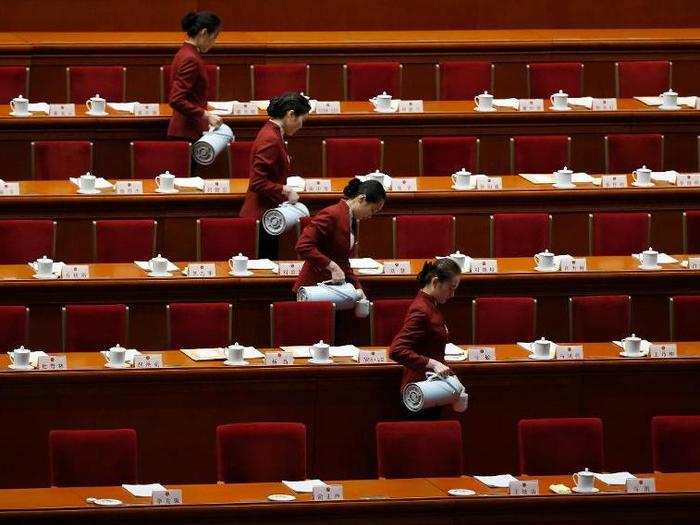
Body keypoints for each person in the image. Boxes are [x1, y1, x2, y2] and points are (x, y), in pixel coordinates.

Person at [240, 92, 311, 259]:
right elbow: (257, 182)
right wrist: (285, 190)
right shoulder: (270, 139)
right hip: (261, 217)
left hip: (268, 215)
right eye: (302, 120)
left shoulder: (273, 132)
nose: (301, 125)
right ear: (291, 114)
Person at [389, 258, 462, 419]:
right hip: (419, 394)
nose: (452, 294)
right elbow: (396, 350)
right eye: (451, 288)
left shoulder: (430, 304)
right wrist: (433, 363)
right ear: (436, 282)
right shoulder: (421, 309)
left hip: (430, 390)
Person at [293, 178, 386, 293]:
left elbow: (342, 261)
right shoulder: (331, 214)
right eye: (372, 210)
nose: (370, 216)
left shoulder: (350, 219)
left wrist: (358, 288)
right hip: (313, 289)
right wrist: (332, 266)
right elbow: (303, 246)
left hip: (330, 289)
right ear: (362, 199)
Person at [167, 11, 222, 145]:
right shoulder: (190, 59)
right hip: (187, 132)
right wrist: (206, 114)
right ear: (203, 33)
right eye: (214, 37)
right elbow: (176, 99)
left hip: (186, 131)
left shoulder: (185, 52)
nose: (214, 42)